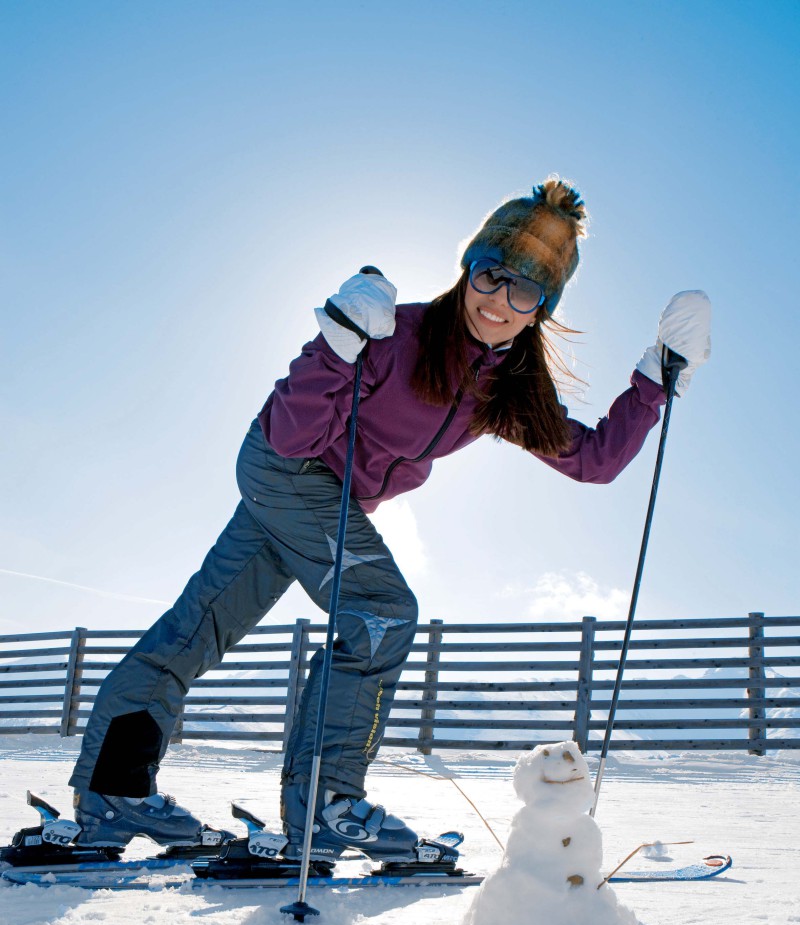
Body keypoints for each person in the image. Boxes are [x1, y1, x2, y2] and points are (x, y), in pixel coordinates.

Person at [47, 177, 711, 866]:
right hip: (287, 466)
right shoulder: (399, 337)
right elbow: (295, 437)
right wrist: (335, 346)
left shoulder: (502, 390)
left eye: (526, 292)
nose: (499, 302)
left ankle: (113, 793)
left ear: (543, 309)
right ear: (468, 270)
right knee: (382, 609)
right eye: (491, 276)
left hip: (324, 501)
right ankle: (329, 807)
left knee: (195, 628)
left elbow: (594, 460)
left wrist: (653, 381)